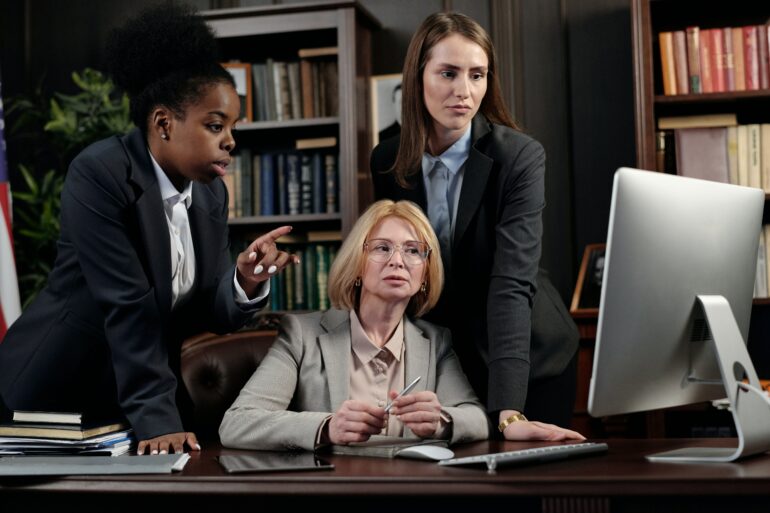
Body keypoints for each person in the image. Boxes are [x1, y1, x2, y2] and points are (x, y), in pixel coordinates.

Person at [0, 4, 296, 456]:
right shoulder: (100, 173)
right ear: (163, 123)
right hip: (56, 396)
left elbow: (209, 308)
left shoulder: (211, 193)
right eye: (216, 125)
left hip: (136, 401)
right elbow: (128, 305)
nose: (231, 140)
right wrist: (159, 422)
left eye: (233, 126)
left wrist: (245, 281)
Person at [219, 200, 580, 451]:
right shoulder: (303, 335)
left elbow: (476, 417)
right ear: (357, 265)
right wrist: (326, 427)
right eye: (381, 248)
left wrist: (441, 421)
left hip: (414, 497)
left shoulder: (436, 341)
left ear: (424, 273)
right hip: (330, 498)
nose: (398, 261)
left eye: (413, 251)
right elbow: (237, 423)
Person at [369, 12, 581, 438]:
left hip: (528, 358)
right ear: (418, 77)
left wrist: (509, 411)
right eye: (448, 73)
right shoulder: (387, 160)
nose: (464, 91)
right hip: (446, 361)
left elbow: (510, 284)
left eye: (477, 75)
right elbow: (397, 272)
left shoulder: (519, 158)